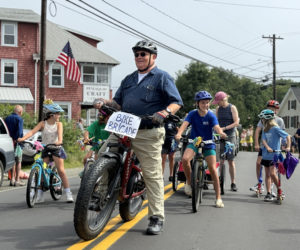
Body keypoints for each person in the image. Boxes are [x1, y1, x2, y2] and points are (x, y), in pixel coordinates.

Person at [94, 40, 183, 235]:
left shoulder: (161, 77)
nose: (140, 57)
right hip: (124, 127)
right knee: (102, 154)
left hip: (148, 130)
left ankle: (156, 217)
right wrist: (104, 103)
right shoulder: (128, 79)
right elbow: (117, 103)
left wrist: (164, 112)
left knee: (152, 174)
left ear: (153, 57)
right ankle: (98, 195)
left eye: (144, 54)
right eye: (137, 54)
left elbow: (176, 102)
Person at [175, 91, 227, 208]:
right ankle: (189, 182)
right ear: (197, 104)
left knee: (213, 169)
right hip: (194, 141)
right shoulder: (193, 114)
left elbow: (217, 128)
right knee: (185, 159)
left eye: (207, 103)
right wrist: (179, 134)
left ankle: (218, 197)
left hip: (208, 143)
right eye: (203, 103)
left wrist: (221, 133)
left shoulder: (211, 115)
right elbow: (184, 125)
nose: (206, 105)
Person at [18, 100, 74, 203]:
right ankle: (40, 195)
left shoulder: (59, 124)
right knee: (42, 171)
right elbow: (31, 132)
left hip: (56, 148)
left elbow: (60, 137)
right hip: (45, 148)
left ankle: (68, 194)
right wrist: (22, 138)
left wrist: (59, 141)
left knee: (61, 171)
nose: (59, 115)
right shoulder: (43, 124)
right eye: (57, 113)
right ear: (51, 115)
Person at [250, 100, 285, 193]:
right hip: (264, 146)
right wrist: (256, 143)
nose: (272, 110)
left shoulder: (279, 120)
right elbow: (258, 131)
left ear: (276, 110)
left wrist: (283, 146)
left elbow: (283, 134)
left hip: (274, 148)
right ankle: (259, 183)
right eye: (269, 108)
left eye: (273, 109)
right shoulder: (264, 118)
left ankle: (272, 185)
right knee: (258, 163)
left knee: (271, 170)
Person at [258, 109, 290, 201]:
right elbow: (263, 140)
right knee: (267, 174)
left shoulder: (275, 128)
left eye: (263, 119)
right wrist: (267, 147)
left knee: (272, 173)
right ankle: (268, 193)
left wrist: (288, 146)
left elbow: (287, 136)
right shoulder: (265, 129)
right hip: (266, 154)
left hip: (275, 155)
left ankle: (279, 190)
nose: (262, 120)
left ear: (267, 119)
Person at [212, 91, 240, 192]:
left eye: (218, 101)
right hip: (220, 134)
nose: (217, 103)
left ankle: (233, 182)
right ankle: (219, 179)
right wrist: (219, 129)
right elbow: (216, 121)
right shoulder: (218, 109)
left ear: (222, 100)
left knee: (230, 160)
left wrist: (224, 128)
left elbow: (236, 122)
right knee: (219, 159)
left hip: (230, 135)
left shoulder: (232, 108)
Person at [79, 109, 110, 177]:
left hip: (108, 146)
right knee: (86, 158)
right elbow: (87, 131)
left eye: (103, 119)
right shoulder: (96, 123)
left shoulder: (110, 124)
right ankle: (85, 172)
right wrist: (86, 138)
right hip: (97, 145)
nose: (101, 121)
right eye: (100, 119)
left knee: (98, 162)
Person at [5, 105, 25, 186]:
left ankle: (12, 179)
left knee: (12, 161)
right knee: (18, 161)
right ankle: (17, 179)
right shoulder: (19, 119)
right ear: (20, 112)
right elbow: (20, 131)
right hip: (17, 142)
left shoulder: (7, 118)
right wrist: (19, 139)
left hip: (9, 142)